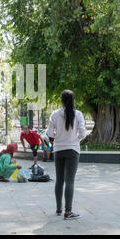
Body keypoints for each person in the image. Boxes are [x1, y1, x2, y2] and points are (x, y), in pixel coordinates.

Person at [47, 90, 86, 220]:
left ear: (61, 101)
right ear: (74, 100)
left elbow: (50, 134)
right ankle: (68, 212)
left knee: (59, 179)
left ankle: (59, 209)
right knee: (69, 180)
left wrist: (58, 138)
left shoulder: (55, 114)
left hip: (58, 149)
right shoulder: (78, 114)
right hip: (73, 149)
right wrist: (75, 140)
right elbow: (83, 133)